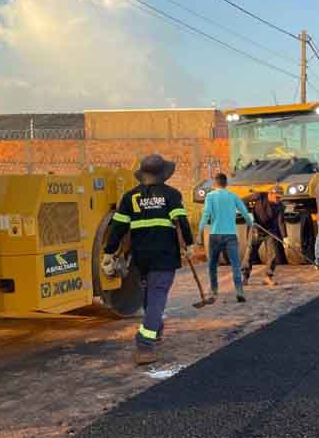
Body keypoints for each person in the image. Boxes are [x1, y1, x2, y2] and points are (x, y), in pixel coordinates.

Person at [101, 154, 194, 365]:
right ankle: (144, 344)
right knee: (157, 296)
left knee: (149, 293)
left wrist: (109, 252)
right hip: (164, 254)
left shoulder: (130, 197)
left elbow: (118, 228)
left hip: (140, 256)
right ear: (163, 174)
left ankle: (156, 328)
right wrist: (189, 245)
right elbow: (181, 221)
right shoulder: (171, 194)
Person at [198, 173, 253, 303]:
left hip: (215, 235)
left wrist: (199, 232)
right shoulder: (233, 196)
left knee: (212, 264)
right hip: (231, 235)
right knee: (235, 264)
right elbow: (245, 213)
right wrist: (251, 223)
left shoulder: (210, 196)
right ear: (226, 184)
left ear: (215, 184)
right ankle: (239, 291)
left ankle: (214, 290)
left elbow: (206, 215)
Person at [241, 186, 288, 286]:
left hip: (270, 231)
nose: (278, 200)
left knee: (273, 254)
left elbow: (281, 222)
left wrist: (285, 237)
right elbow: (242, 201)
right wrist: (248, 214)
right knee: (250, 252)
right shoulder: (260, 196)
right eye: (277, 197)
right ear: (270, 194)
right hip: (256, 229)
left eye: (280, 198)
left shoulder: (279, 206)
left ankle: (268, 277)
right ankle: (245, 277)